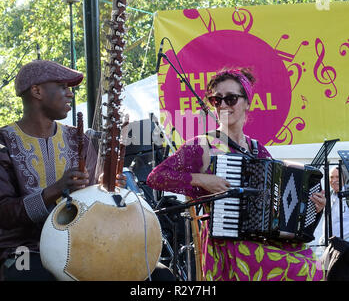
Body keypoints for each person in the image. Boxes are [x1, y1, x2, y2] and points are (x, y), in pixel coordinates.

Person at [147, 66, 326, 281]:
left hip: (260, 240)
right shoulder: (202, 145)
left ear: (247, 103)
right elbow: (156, 177)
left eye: (230, 99)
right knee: (301, 269)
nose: (223, 105)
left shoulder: (258, 149)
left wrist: (313, 205)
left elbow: (277, 203)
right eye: (216, 100)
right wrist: (201, 179)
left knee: (312, 263)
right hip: (226, 244)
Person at [0, 60, 173, 281]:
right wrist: (54, 191)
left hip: (86, 242)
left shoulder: (77, 138)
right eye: (63, 87)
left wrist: (107, 187)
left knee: (159, 276)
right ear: (36, 91)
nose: (70, 94)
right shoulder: (4, 142)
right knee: (31, 275)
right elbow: (4, 214)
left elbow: (95, 196)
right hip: (23, 249)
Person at [320, 166, 349, 244]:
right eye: (331, 177)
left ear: (344, 178)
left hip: (346, 245)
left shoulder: (347, 196)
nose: (334, 180)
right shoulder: (327, 196)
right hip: (329, 245)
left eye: (337, 177)